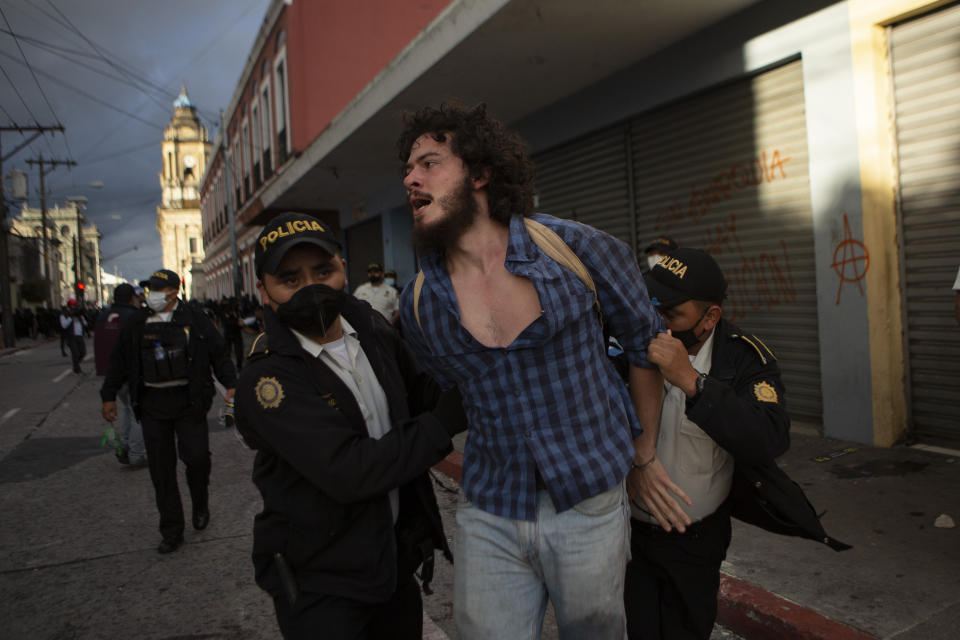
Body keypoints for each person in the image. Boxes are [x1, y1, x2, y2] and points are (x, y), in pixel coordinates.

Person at [396, 102, 665, 639]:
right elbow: (448, 384)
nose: (410, 178)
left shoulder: (576, 249)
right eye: (408, 169)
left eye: (429, 163)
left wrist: (646, 452)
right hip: (490, 507)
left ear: (480, 172)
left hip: (589, 501)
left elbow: (645, 345)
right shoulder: (420, 301)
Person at [234, 212, 467, 639]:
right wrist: (444, 422)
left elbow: (421, 394)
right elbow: (351, 471)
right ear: (265, 291)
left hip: (392, 564)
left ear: (343, 267)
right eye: (291, 279)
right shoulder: (268, 380)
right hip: (321, 584)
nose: (312, 288)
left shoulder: (372, 330)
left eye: (322, 271)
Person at [625, 248, 848, 640]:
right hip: (626, 536)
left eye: (672, 315)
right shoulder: (624, 344)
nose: (657, 323)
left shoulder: (745, 357)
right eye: (652, 307)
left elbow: (768, 438)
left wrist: (694, 383)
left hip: (694, 542)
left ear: (709, 317)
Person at [100, 269, 237, 554]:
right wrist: (109, 395)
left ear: (174, 292)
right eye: (151, 289)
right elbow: (119, 360)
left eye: (159, 289)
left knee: (197, 459)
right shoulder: (137, 322)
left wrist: (231, 385)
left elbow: (218, 353)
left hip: (189, 402)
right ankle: (172, 530)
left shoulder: (196, 320)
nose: (153, 295)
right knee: (162, 470)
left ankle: (200, 502)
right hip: (152, 404)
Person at [94, 283, 147, 466]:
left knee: (127, 410)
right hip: (131, 372)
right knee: (138, 413)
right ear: (132, 297)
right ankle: (136, 453)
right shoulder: (134, 316)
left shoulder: (103, 315)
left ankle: (124, 446)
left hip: (111, 373)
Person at [60, 299, 87, 373]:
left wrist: (81, 316)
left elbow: (85, 324)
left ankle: (76, 364)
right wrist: (70, 317)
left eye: (74, 307)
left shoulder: (79, 315)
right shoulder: (64, 315)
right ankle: (76, 368)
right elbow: (64, 325)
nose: (73, 309)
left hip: (80, 336)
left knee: (83, 352)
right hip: (71, 336)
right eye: (71, 307)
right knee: (75, 353)